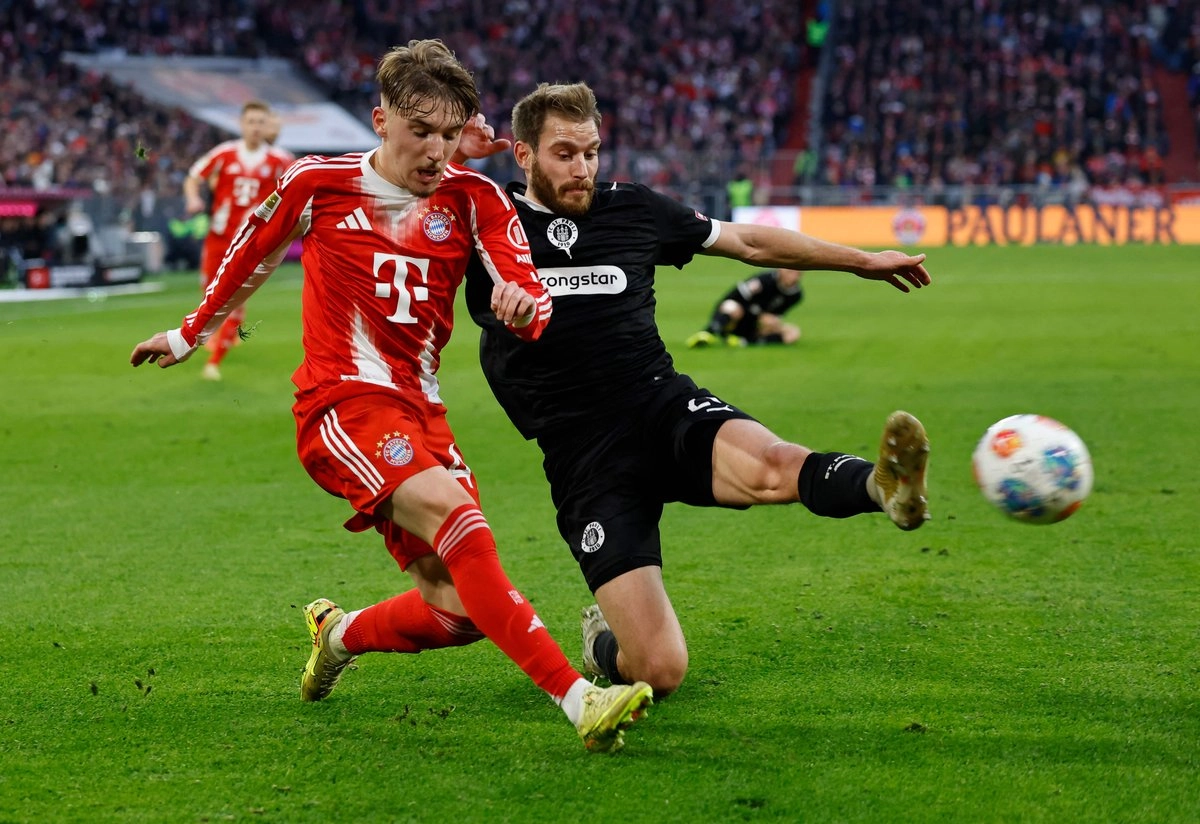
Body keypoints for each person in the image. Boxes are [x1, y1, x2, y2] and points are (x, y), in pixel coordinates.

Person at [131, 43, 652, 753]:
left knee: (458, 610)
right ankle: (579, 698)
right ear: (380, 121)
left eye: (447, 134)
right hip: (341, 403)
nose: (435, 150)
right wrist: (189, 332)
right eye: (420, 132)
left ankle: (338, 634)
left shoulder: (476, 197)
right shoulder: (319, 181)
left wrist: (527, 308)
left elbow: (527, 285)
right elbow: (251, 250)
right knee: (460, 520)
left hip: (421, 412)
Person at [460, 82, 932, 698]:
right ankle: (604, 646)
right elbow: (396, 186)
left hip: (660, 403)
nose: (583, 169)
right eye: (564, 153)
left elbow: (749, 241)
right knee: (660, 669)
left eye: (592, 152)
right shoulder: (482, 218)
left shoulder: (633, 209)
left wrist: (861, 260)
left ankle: (883, 486)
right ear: (522, 155)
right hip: (584, 454)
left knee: (771, 465)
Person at [183, 100, 294, 381]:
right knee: (210, 292)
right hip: (219, 237)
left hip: (249, 243)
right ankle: (223, 334)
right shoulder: (224, 153)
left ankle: (215, 360)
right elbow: (193, 177)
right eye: (250, 122)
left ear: (266, 126)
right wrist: (194, 198)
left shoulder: (281, 160)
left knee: (232, 298)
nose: (255, 127)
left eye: (260, 122)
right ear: (241, 124)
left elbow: (298, 191)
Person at [686, 267, 805, 348]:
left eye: (798, 273)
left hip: (755, 325)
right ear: (781, 269)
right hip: (737, 320)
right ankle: (708, 332)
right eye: (791, 272)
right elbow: (733, 297)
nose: (794, 277)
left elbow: (777, 314)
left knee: (793, 333)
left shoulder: (796, 295)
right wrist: (757, 313)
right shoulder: (764, 280)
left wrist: (772, 321)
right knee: (731, 306)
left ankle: (744, 342)